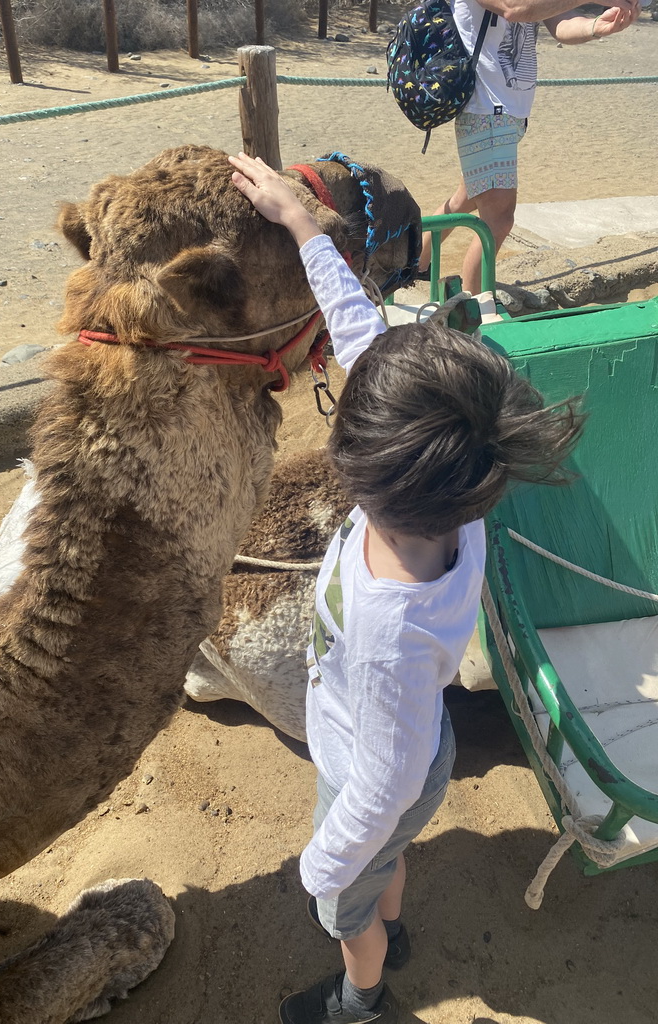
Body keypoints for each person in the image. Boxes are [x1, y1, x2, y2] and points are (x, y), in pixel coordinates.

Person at [230, 151, 585, 1024]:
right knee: (389, 856)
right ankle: (391, 919)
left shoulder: (390, 631)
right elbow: (362, 337)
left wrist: (325, 868)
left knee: (348, 903)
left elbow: (380, 790)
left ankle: (363, 994)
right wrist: (302, 224)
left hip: (372, 768)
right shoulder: (456, 491)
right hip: (415, 757)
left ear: (357, 466)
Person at [417, 0, 641, 293]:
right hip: (485, 108)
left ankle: (411, 266)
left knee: (467, 199)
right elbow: (515, 7)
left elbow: (560, 22)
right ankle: (474, 307)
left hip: (510, 110)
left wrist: (596, 26)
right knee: (499, 217)